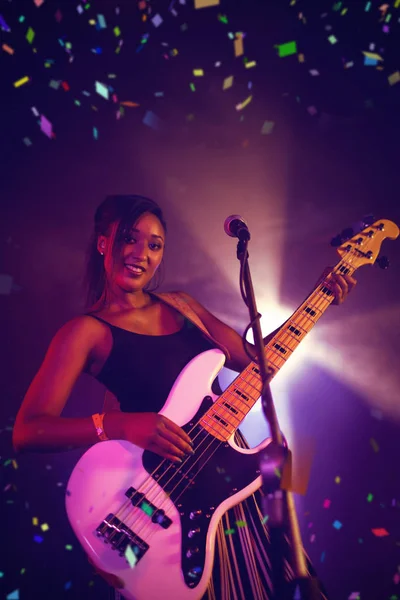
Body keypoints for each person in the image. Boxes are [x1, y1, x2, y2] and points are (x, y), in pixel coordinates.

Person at [12, 194, 356, 600]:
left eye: (154, 245)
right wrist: (121, 423)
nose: (141, 254)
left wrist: (318, 299)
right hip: (164, 505)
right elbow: (27, 432)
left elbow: (255, 362)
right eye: (130, 239)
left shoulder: (182, 307)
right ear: (104, 242)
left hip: (233, 487)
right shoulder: (85, 331)